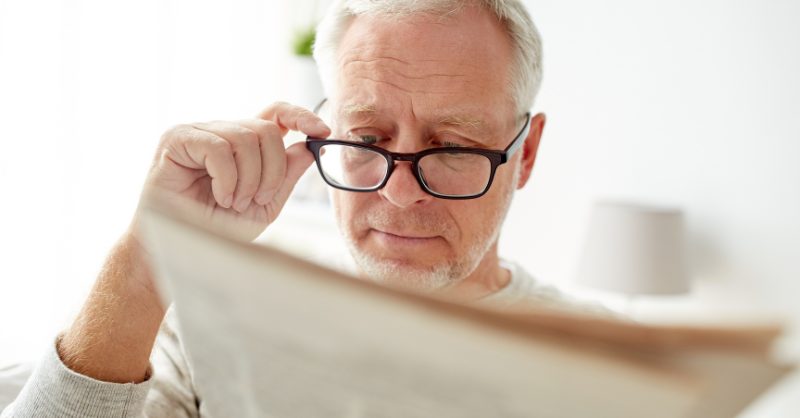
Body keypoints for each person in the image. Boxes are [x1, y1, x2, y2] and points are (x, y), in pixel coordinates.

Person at [1, 0, 589, 416]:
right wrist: (148, 259)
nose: (399, 193)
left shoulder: (615, 373)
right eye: (365, 139)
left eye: (454, 147)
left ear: (526, 153)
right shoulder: (217, 324)